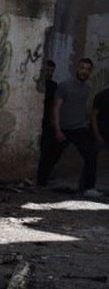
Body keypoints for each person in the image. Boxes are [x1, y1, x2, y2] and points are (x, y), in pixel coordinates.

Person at [38, 58, 99, 195]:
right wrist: (58, 130)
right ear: (77, 68)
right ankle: (40, 184)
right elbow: (56, 107)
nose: (84, 71)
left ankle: (88, 188)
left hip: (79, 128)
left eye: (87, 69)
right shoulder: (64, 86)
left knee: (91, 153)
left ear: (90, 72)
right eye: (82, 68)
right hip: (63, 128)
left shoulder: (87, 88)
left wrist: (85, 121)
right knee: (49, 157)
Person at [35, 60, 58, 186]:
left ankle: (43, 176)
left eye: (51, 71)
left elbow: (54, 105)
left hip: (47, 121)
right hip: (40, 119)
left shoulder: (53, 86)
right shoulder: (38, 84)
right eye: (47, 70)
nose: (49, 73)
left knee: (47, 150)